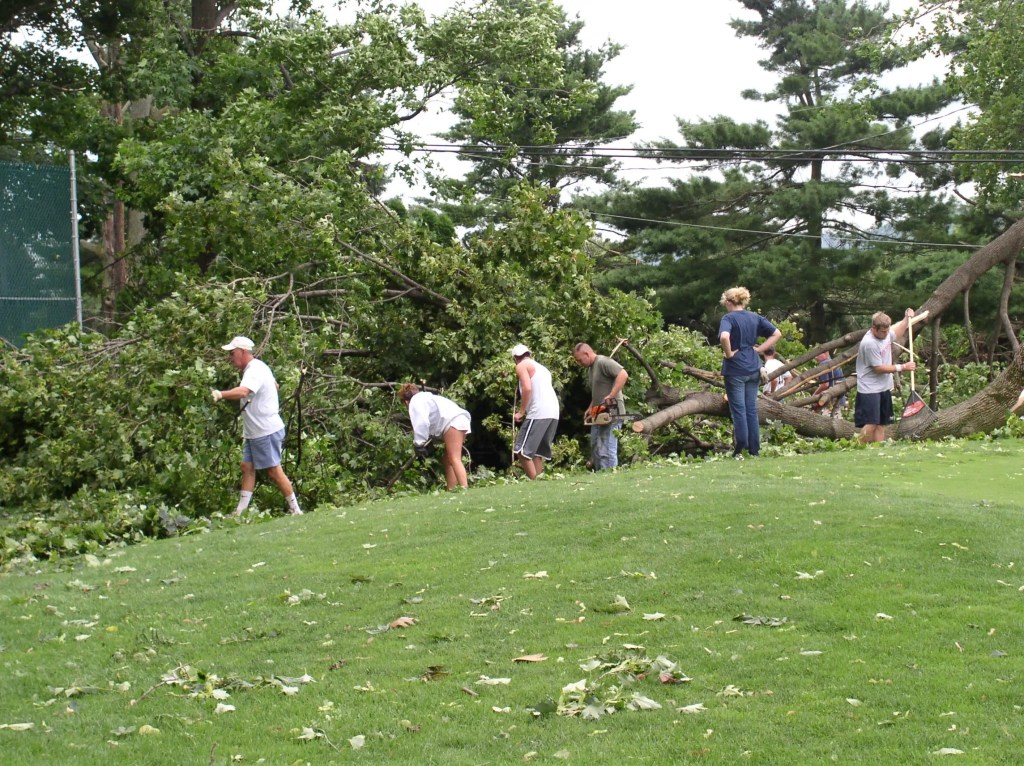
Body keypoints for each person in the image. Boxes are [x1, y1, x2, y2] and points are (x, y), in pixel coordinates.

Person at [211, 336, 302, 516]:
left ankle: (296, 510)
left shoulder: (254, 370)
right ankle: (240, 512)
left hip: (265, 430)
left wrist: (220, 394)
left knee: (274, 471)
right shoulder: (259, 367)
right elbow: (274, 386)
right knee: (247, 467)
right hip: (254, 431)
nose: (230, 357)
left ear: (243, 352)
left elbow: (244, 391)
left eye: (232, 353)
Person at [718, 287, 781, 458]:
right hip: (754, 367)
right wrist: (760, 349)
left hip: (736, 370)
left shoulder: (728, 318)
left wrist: (729, 353)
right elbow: (776, 333)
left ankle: (740, 449)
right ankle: (755, 450)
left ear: (729, 302)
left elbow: (724, 337)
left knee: (738, 410)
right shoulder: (754, 317)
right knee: (751, 409)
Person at [854, 308, 917, 443]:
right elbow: (878, 368)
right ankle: (856, 448)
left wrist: (906, 318)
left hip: (883, 387)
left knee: (882, 423)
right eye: (883, 331)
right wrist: (902, 367)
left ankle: (879, 449)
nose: (886, 334)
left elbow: (897, 332)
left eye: (887, 330)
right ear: (874, 328)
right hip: (870, 389)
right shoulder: (869, 343)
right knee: (871, 423)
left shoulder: (885, 333)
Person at [398, 383, 472, 490]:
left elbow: (422, 422)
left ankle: (464, 489)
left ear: (406, 402)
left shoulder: (415, 402)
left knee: (454, 458)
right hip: (460, 420)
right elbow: (433, 421)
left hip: (453, 422)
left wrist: (419, 443)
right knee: (447, 459)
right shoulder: (426, 397)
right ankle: (451, 490)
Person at [572, 342, 629, 470]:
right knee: (596, 447)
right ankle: (601, 476)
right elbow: (597, 391)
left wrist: (611, 395)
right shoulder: (591, 368)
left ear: (586, 354)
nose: (579, 363)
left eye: (580, 360)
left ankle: (611, 477)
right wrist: (590, 408)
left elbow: (623, 374)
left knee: (607, 449)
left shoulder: (603, 362)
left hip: (612, 412)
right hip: (599, 413)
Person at [511, 343, 560, 479]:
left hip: (539, 411)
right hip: (553, 412)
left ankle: (535, 483)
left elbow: (527, 388)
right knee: (537, 452)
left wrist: (521, 412)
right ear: (529, 354)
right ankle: (541, 482)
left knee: (521, 451)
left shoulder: (521, 365)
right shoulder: (542, 368)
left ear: (515, 358)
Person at [811, 351, 848, 418]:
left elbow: (825, 385)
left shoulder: (824, 364)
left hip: (830, 399)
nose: (816, 357)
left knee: (825, 420)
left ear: (826, 354)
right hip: (840, 397)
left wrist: (814, 395)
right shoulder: (834, 362)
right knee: (836, 419)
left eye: (818, 354)